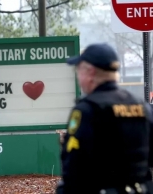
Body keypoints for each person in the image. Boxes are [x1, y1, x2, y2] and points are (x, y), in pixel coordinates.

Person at [56, 43, 153, 194]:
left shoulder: (87, 111)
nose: (77, 76)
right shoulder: (142, 107)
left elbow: (74, 168)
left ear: (90, 72)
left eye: (78, 70)